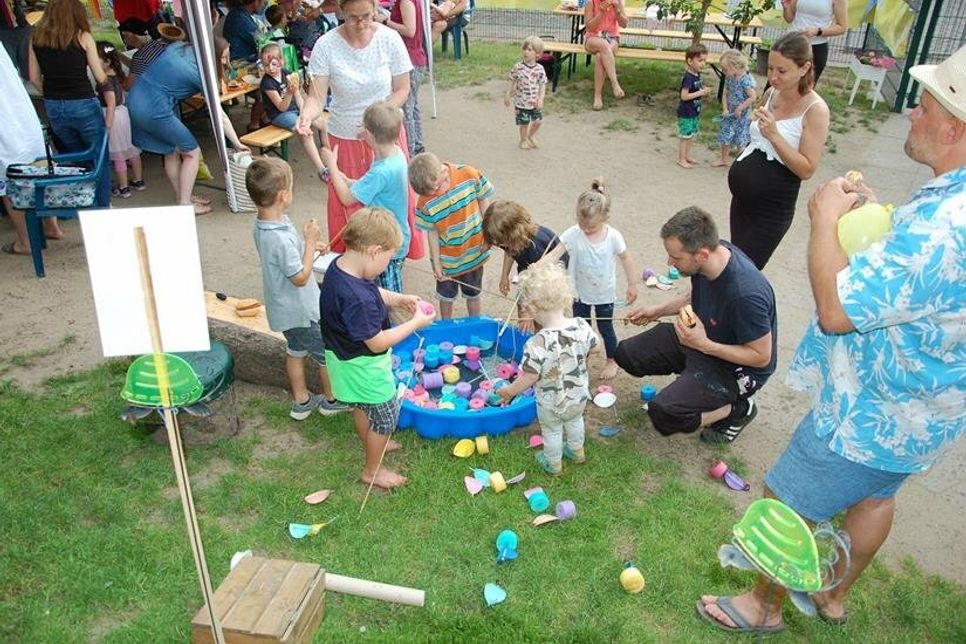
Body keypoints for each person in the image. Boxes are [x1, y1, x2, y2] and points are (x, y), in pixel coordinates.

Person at [696, 46, 966, 634]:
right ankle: (834, 595)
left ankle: (762, 607)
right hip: (931, 411)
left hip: (870, 410)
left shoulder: (943, 227)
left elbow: (838, 309)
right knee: (874, 497)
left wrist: (824, 223)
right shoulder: (952, 202)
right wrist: (881, 218)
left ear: (953, 126)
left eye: (920, 108)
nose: (911, 117)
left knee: (787, 493)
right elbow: (927, 277)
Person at [615, 206, 776, 444]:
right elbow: (694, 294)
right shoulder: (712, 256)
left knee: (664, 414)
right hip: (701, 340)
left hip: (735, 369)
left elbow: (762, 357)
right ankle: (695, 381)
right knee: (626, 353)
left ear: (701, 255)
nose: (670, 263)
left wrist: (704, 345)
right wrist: (656, 311)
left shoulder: (745, 294)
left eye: (676, 257)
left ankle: (738, 409)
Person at [297, 0, 422, 263]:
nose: (361, 24)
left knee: (389, 204)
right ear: (340, 11)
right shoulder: (326, 45)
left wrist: (374, 120)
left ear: (376, 8)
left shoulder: (389, 38)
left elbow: (402, 89)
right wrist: (306, 116)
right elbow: (316, 97)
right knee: (351, 205)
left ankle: (390, 261)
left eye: (367, 15)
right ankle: (352, 267)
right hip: (345, 139)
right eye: (353, 18)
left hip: (384, 137)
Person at [319, 207, 435, 489]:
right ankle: (373, 470)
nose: (387, 265)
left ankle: (373, 442)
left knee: (362, 405)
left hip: (341, 360)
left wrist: (398, 298)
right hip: (363, 366)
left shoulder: (341, 267)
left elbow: (373, 291)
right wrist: (415, 323)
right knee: (385, 415)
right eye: (388, 258)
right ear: (374, 251)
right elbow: (377, 341)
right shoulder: (357, 298)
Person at [247, 157, 348, 419]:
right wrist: (310, 242)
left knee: (295, 351)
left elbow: (291, 261)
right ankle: (331, 400)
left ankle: (302, 401)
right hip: (301, 310)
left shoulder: (266, 224)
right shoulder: (277, 237)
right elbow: (300, 277)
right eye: (291, 187)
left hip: (285, 309)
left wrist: (312, 247)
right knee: (325, 353)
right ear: (283, 195)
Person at [728, 32, 830, 269]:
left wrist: (774, 135)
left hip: (771, 209)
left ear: (804, 68)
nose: (773, 77)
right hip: (743, 200)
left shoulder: (816, 110)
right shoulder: (772, 93)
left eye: (781, 71)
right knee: (735, 266)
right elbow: (757, 136)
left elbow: (807, 169)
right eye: (771, 68)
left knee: (742, 271)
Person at [497, 262, 600, 476]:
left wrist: (509, 391)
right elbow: (597, 347)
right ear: (565, 297)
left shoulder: (537, 344)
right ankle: (576, 451)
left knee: (552, 431)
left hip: (551, 403)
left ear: (531, 307)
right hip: (579, 395)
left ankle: (553, 463)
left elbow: (528, 378)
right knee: (574, 420)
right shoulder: (581, 325)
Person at [128, 37, 249, 215]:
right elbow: (219, 115)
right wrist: (236, 142)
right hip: (154, 108)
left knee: (171, 150)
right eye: (223, 58)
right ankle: (185, 205)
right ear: (212, 55)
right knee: (192, 152)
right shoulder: (200, 73)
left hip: (136, 97)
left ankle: (183, 197)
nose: (225, 62)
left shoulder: (181, 47)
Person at [539, 178, 637, 382]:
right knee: (581, 326)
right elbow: (555, 254)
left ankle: (612, 359)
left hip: (604, 293)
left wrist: (632, 284)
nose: (585, 229)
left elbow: (626, 257)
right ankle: (581, 356)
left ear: (604, 218)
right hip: (579, 293)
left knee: (605, 328)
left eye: (591, 227)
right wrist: (538, 266)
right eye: (582, 224)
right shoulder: (574, 233)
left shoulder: (613, 237)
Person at [28, 0, 114, 209]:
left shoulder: (36, 38)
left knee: (76, 159)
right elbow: (100, 76)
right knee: (99, 158)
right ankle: (103, 208)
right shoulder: (83, 37)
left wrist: (50, 94)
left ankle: (85, 202)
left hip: (54, 106)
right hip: (83, 102)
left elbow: (33, 77)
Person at [321, 101, 409, 291]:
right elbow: (371, 187)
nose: (360, 128)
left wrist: (333, 166)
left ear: (370, 134)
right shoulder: (394, 154)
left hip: (386, 244)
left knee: (389, 299)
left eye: (363, 126)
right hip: (392, 236)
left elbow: (346, 199)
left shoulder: (382, 170)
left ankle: (396, 322)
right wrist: (348, 180)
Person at [408, 151, 493, 320]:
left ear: (444, 173)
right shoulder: (425, 202)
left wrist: (488, 234)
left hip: (473, 252)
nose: (436, 194)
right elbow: (431, 232)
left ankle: (475, 323)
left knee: (473, 293)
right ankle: (446, 326)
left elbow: (483, 198)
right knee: (446, 297)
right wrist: (437, 263)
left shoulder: (468, 174)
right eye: (430, 192)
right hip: (447, 261)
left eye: (437, 187)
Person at [0, 43, 63, 256]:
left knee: (8, 178)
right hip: (22, 115)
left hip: (5, 125)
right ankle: (52, 227)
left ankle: (26, 241)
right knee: (38, 165)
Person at [482, 198, 567, 332]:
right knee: (524, 312)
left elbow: (537, 285)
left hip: (547, 279)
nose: (499, 245)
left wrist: (528, 310)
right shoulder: (510, 240)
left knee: (543, 315)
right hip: (528, 271)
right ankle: (530, 334)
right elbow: (510, 252)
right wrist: (504, 275)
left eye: (500, 242)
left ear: (513, 234)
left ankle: (542, 334)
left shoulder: (536, 247)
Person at [258, 42, 328, 179]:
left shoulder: (288, 74)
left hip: (295, 110)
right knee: (305, 132)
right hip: (280, 115)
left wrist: (304, 114)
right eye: (266, 65)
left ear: (281, 61)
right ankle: (321, 169)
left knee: (323, 124)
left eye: (274, 64)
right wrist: (290, 92)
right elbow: (281, 107)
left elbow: (299, 97)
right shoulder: (267, 83)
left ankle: (329, 156)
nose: (270, 69)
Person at [96, 41, 145, 199]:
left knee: (117, 153)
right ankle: (138, 180)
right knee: (130, 148)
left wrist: (107, 126)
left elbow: (110, 103)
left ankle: (123, 187)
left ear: (107, 61)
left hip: (112, 116)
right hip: (123, 113)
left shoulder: (104, 81)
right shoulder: (117, 75)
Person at [379, 0, 427, 156]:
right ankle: (417, 145)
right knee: (412, 106)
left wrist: (387, 21)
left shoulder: (405, 2)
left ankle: (411, 151)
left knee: (407, 109)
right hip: (415, 58)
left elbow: (410, 30)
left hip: (410, 58)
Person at [781, 0, 848, 85]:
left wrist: (817, 31)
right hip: (792, 42)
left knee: (803, 87)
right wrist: (786, 8)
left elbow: (842, 27)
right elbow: (789, 19)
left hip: (815, 48)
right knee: (777, 82)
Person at [712, 49, 756, 168]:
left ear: (735, 67)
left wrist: (740, 108)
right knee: (725, 134)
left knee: (740, 138)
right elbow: (725, 94)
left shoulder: (745, 80)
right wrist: (725, 109)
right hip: (730, 113)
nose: (723, 72)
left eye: (725, 69)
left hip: (742, 116)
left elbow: (752, 97)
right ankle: (723, 159)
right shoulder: (730, 78)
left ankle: (742, 164)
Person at [504, 35, 547, 150]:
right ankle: (523, 140)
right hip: (521, 102)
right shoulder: (518, 67)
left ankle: (530, 136)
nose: (526, 52)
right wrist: (508, 94)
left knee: (538, 121)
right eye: (524, 49)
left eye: (529, 49)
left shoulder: (540, 69)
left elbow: (542, 85)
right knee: (524, 123)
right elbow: (512, 80)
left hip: (534, 102)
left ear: (537, 54)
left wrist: (541, 99)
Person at [583, 0, 627, 111]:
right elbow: (589, 27)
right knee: (603, 45)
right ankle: (614, 83)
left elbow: (624, 24)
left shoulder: (618, 1)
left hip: (612, 37)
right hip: (593, 37)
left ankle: (597, 96)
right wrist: (601, 12)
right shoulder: (591, 2)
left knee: (600, 56)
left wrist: (617, 11)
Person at [677, 43, 711, 169]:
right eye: (700, 60)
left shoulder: (697, 75)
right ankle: (681, 159)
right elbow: (684, 96)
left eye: (705, 60)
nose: (703, 63)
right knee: (685, 136)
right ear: (690, 61)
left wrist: (704, 90)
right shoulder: (688, 77)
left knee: (692, 135)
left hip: (695, 111)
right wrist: (700, 92)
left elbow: (697, 89)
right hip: (686, 112)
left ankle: (687, 156)